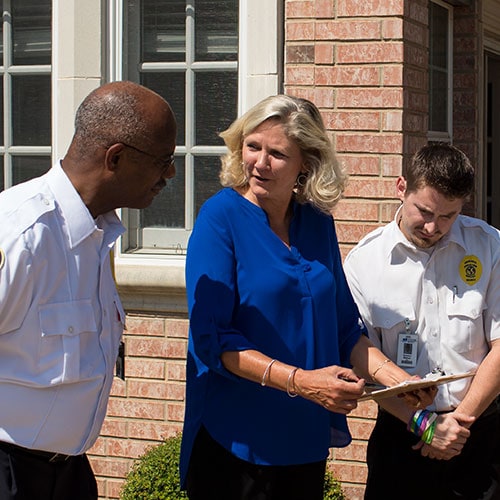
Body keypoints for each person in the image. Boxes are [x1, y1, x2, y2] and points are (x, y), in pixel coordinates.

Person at [180, 94, 433, 500]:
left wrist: (398, 381)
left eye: (277, 153)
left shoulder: (317, 224)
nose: (260, 163)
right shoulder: (219, 218)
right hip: (236, 443)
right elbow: (215, 341)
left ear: (307, 163)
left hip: (303, 439)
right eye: (252, 146)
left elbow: (345, 329)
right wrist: (302, 382)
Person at [0, 81, 177, 500]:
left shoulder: (98, 235)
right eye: (163, 160)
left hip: (69, 474)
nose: (170, 173)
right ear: (115, 158)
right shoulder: (22, 235)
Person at [344, 143, 500, 499]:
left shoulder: (490, 247)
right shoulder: (364, 262)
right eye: (425, 211)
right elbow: (360, 352)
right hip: (402, 435)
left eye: (449, 216)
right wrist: (427, 426)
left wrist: (457, 425)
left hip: (478, 435)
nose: (434, 226)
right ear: (402, 188)